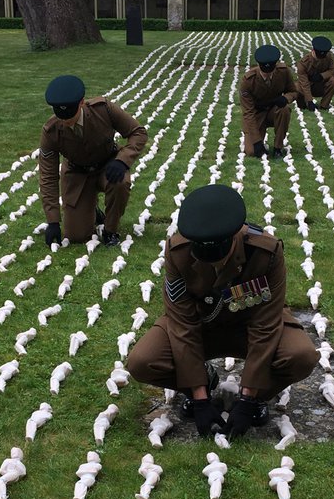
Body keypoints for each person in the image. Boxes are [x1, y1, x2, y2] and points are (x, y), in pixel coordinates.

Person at [126, 184, 318, 438]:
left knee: (301, 355)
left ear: (235, 235)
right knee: (142, 361)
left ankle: (259, 395)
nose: (212, 261)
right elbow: (182, 323)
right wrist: (199, 396)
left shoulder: (265, 252)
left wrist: (249, 397)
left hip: (250, 323)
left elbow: (265, 323)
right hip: (201, 323)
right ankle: (203, 379)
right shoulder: (178, 251)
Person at [39, 74, 147, 247]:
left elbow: (138, 132)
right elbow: (47, 176)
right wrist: (52, 221)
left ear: (81, 102)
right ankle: (92, 209)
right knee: (77, 235)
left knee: (120, 182)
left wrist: (122, 161)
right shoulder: (51, 131)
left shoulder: (103, 110)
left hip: (108, 166)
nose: (65, 121)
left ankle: (110, 230)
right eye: (61, 117)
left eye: (70, 116)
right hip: (77, 174)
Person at [239, 44, 297, 158]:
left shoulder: (284, 72)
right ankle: (259, 142)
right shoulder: (248, 81)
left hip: (273, 111)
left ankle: (278, 147)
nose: (267, 74)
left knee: (284, 110)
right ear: (259, 66)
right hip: (256, 114)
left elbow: (294, 91)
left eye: (270, 71)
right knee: (251, 152)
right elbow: (248, 113)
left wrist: (286, 98)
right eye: (264, 71)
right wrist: (257, 142)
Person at [295, 35, 334, 111]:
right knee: (297, 87)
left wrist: (322, 76)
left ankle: (324, 105)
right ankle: (303, 104)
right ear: (313, 51)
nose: (320, 59)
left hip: (321, 85)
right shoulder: (303, 63)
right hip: (308, 87)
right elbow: (304, 83)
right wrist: (310, 101)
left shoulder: (328, 56)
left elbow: (333, 71)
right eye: (318, 57)